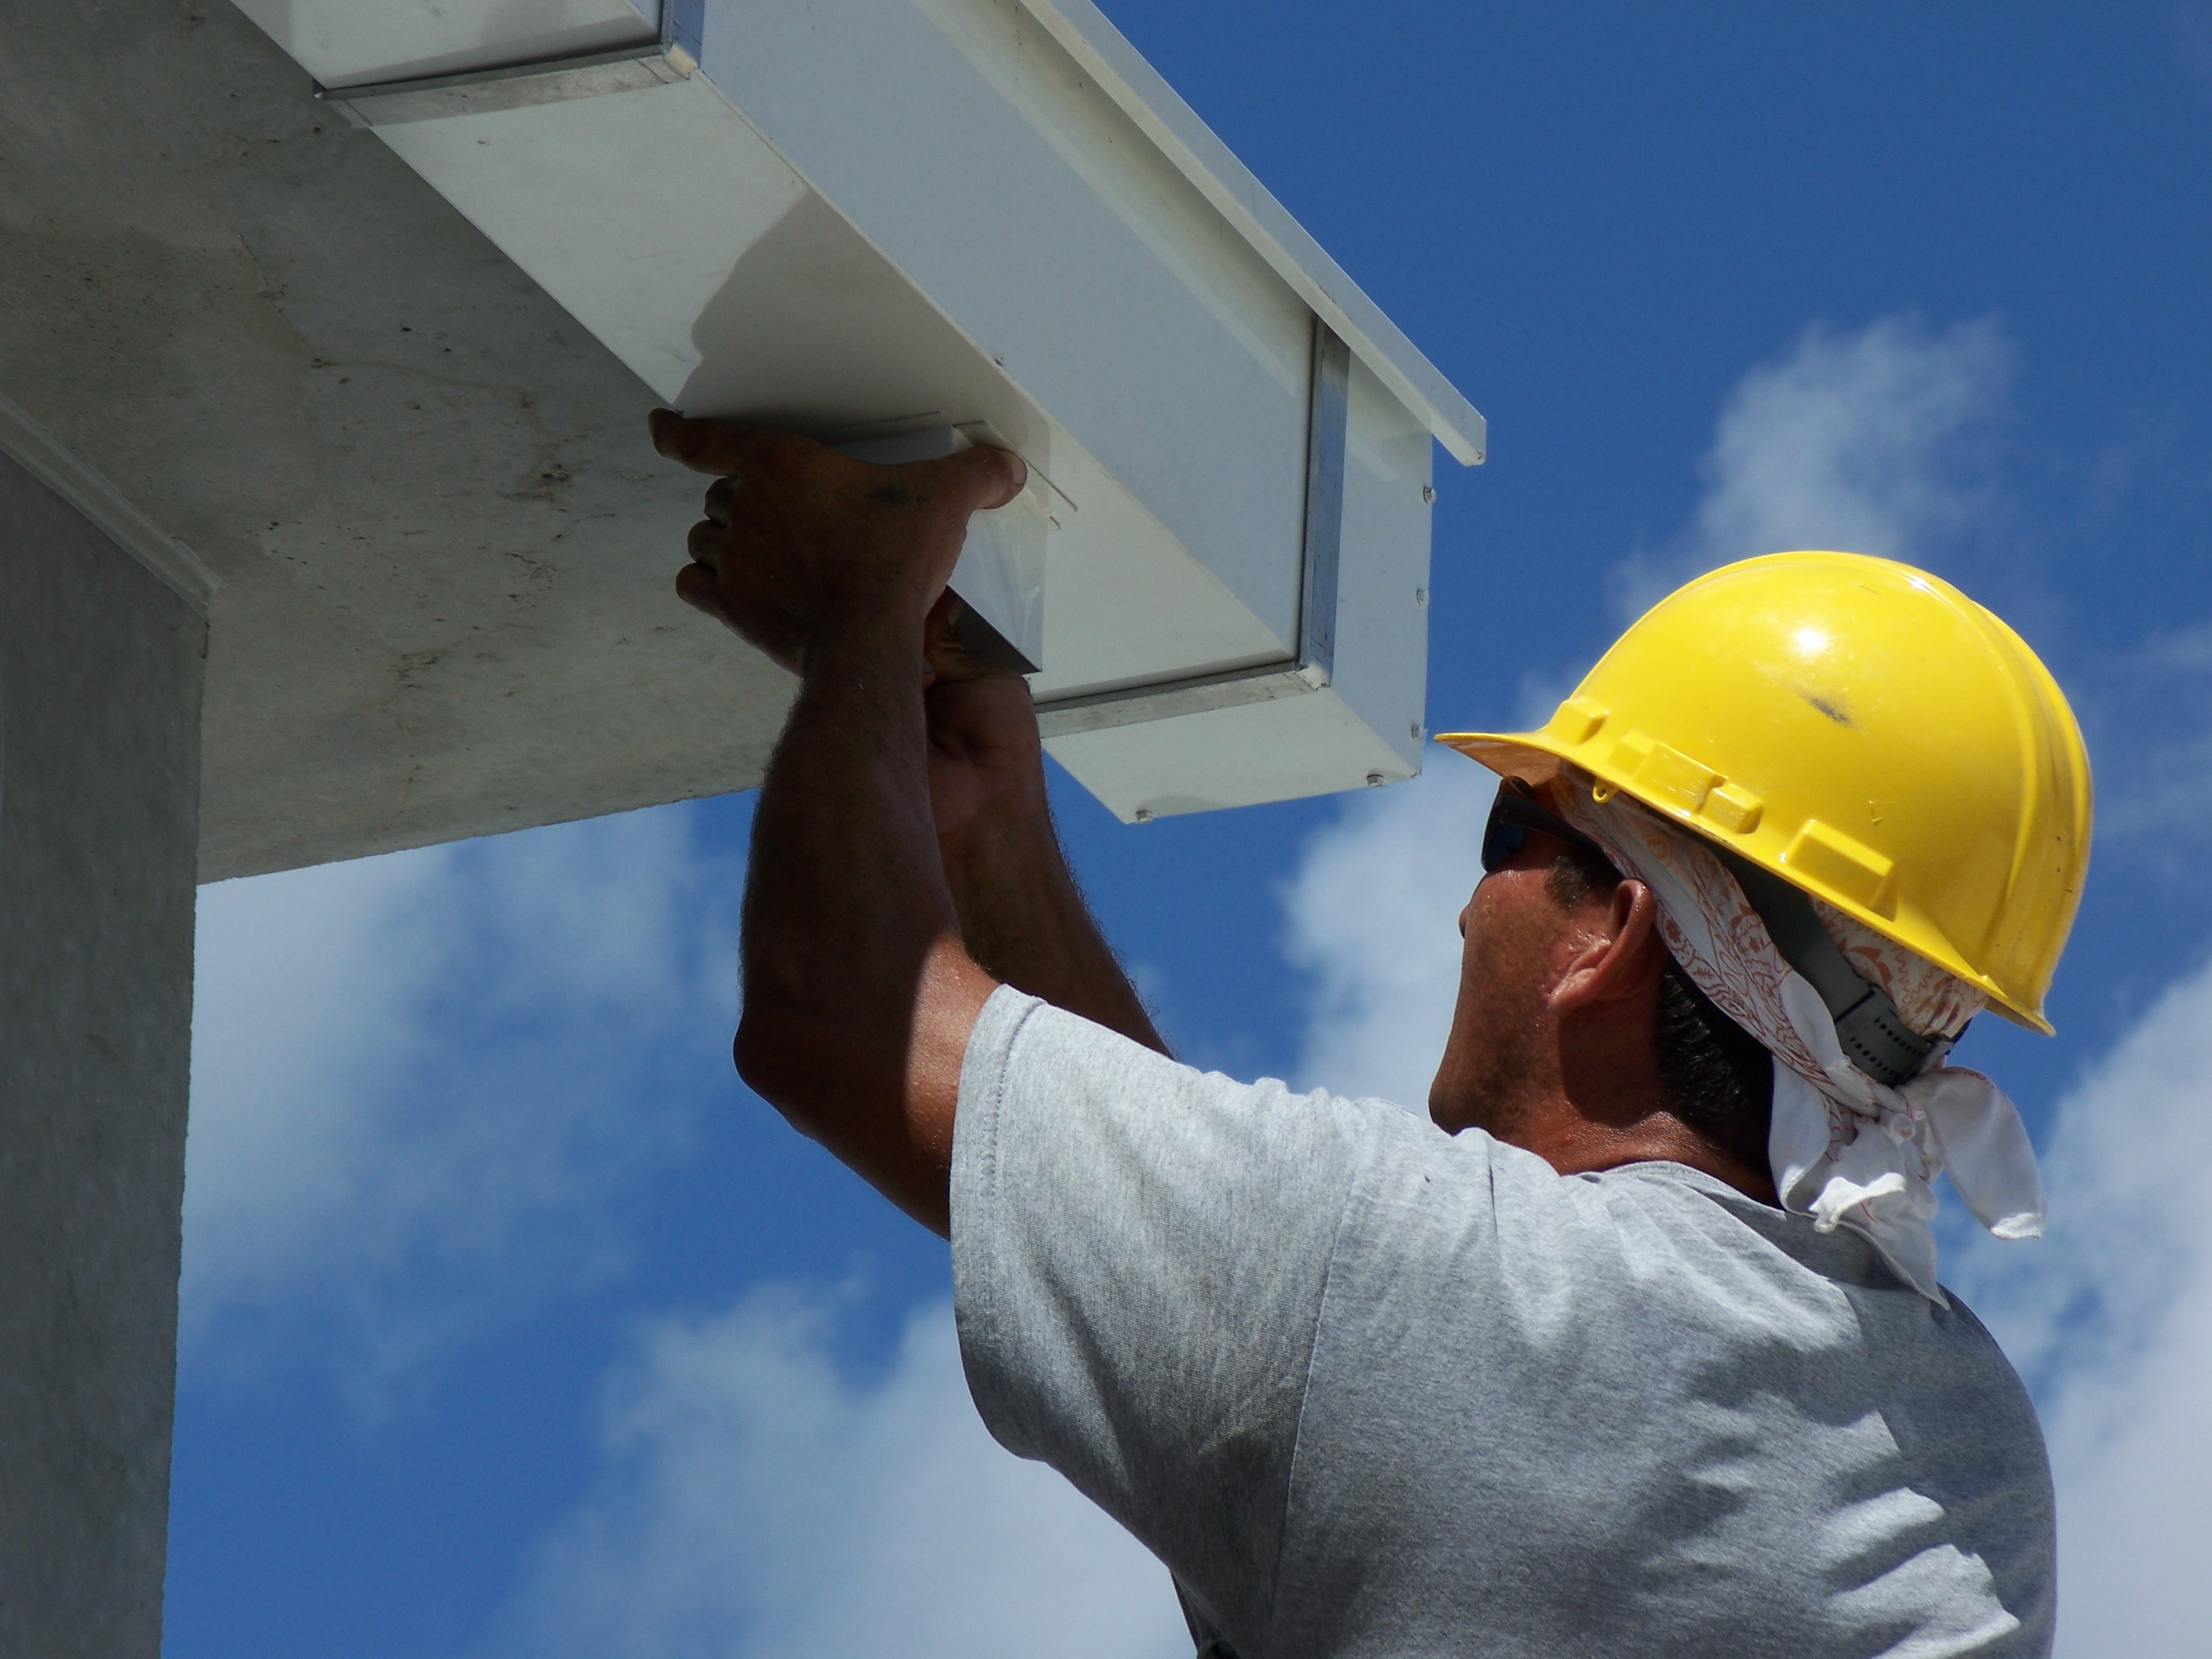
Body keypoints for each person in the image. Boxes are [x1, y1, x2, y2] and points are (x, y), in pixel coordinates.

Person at [649, 409, 2087, 1658]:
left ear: (1618, 934)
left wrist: (859, 609)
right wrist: (991, 826)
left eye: (1509, 836)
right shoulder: (1973, 1460)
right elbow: (1287, 1333)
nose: (1468, 916)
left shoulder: (1440, 1300)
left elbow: (839, 1012)